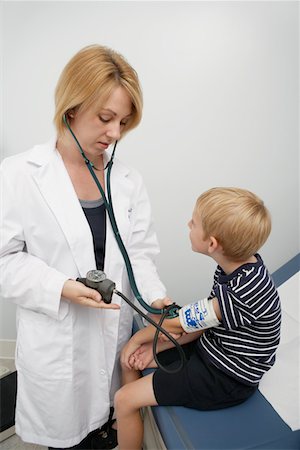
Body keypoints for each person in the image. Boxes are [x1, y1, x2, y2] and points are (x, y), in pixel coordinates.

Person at [0, 44, 170, 449]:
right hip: (59, 342)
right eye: (106, 118)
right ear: (70, 109)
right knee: (69, 437)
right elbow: (4, 261)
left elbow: (140, 252)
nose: (114, 134)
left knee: (113, 424)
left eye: (124, 122)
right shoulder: (20, 175)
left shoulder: (127, 180)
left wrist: (157, 297)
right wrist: (60, 286)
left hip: (115, 339)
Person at [115, 187, 281, 450]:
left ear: (212, 243)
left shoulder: (245, 290)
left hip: (225, 378)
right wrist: (162, 344)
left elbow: (182, 323)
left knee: (123, 397)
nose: (188, 224)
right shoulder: (239, 268)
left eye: (194, 222)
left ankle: (127, 414)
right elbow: (203, 322)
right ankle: (126, 424)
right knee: (132, 361)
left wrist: (137, 339)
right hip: (212, 348)